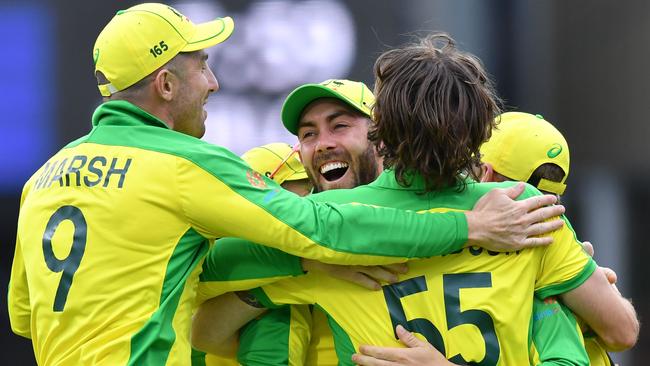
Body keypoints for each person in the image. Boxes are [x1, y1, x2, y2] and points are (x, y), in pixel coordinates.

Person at [6, 4, 565, 365]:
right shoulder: (183, 164)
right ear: (166, 84)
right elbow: (318, 227)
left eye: (340, 123)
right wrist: (471, 225)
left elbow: (24, 317)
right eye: (202, 64)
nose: (215, 81)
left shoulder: (41, 181)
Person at [196, 33, 638, 365]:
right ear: (483, 129)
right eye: (308, 133)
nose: (323, 142)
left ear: (379, 129)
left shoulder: (325, 223)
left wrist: (308, 261)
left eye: (339, 125)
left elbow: (208, 291)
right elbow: (621, 332)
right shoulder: (526, 210)